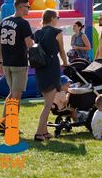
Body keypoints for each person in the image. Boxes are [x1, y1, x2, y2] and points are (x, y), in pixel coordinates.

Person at [0, 0, 34, 133]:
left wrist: (0, 61)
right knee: (16, 97)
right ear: (20, 7)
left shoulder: (4, 21)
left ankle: (3, 124)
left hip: (6, 63)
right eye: (27, 6)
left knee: (12, 94)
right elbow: (29, 44)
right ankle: (11, 126)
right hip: (19, 63)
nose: (29, 8)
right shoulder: (24, 23)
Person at [33, 9, 69, 141]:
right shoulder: (56, 32)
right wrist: (66, 63)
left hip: (40, 68)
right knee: (48, 104)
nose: (57, 20)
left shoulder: (37, 33)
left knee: (47, 101)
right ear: (53, 18)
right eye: (57, 17)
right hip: (52, 68)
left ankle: (45, 132)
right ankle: (38, 133)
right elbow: (62, 51)